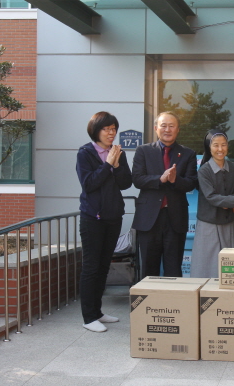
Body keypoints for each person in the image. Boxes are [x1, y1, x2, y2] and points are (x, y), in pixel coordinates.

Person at [76, 111, 132, 332]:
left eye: (113, 129)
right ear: (95, 131)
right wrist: (108, 164)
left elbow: (126, 183)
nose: (111, 133)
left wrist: (117, 165)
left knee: (103, 265)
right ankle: (88, 317)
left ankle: (97, 312)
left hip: (113, 216)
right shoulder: (85, 153)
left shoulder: (119, 153)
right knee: (91, 267)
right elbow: (89, 184)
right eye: (106, 129)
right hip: (92, 218)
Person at [132, 112, 198, 277]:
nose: (167, 129)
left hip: (175, 217)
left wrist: (176, 180)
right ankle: (149, 302)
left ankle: (174, 302)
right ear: (156, 129)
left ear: (178, 130)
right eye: (163, 126)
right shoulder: (143, 151)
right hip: (149, 218)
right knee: (149, 267)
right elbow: (137, 179)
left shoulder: (188, 153)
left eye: (171, 126)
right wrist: (160, 179)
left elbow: (191, 182)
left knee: (173, 267)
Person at [190, 130, 234, 278]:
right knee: (207, 264)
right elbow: (211, 196)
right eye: (216, 145)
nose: (220, 149)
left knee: (230, 262)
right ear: (209, 147)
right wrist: (233, 201)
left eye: (224, 145)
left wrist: (231, 203)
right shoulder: (204, 170)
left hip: (228, 222)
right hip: (209, 223)